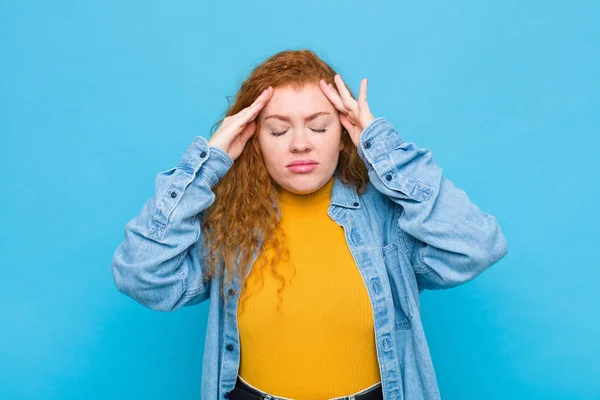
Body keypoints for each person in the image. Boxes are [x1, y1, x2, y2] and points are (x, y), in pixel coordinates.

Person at [111, 49, 508, 400]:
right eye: (279, 130)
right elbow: (141, 276)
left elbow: (477, 246)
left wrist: (382, 146)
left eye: (319, 127)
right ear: (254, 139)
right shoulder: (230, 220)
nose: (300, 143)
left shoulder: (387, 218)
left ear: (342, 135)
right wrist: (204, 167)